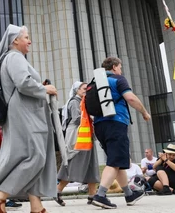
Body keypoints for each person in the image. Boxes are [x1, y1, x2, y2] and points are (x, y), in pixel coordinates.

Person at [0, 24, 58, 213]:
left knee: (28, 155)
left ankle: (36, 206)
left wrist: (39, 85)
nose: (29, 41)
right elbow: (23, 83)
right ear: (15, 40)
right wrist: (45, 89)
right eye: (26, 37)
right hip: (24, 113)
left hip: (23, 112)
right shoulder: (14, 57)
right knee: (35, 156)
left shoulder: (11, 58)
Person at [91, 57, 151, 209]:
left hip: (99, 125)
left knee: (117, 161)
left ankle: (129, 195)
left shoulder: (95, 82)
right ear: (115, 67)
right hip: (116, 123)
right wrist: (144, 112)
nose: (121, 70)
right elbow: (130, 97)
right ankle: (100, 195)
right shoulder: (118, 79)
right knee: (114, 162)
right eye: (120, 67)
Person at [56, 81, 99, 206]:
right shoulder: (75, 102)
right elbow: (76, 119)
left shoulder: (83, 101)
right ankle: (57, 191)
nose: (86, 90)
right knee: (74, 164)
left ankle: (93, 194)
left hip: (85, 136)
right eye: (83, 88)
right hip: (78, 137)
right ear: (76, 90)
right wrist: (92, 117)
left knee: (92, 164)